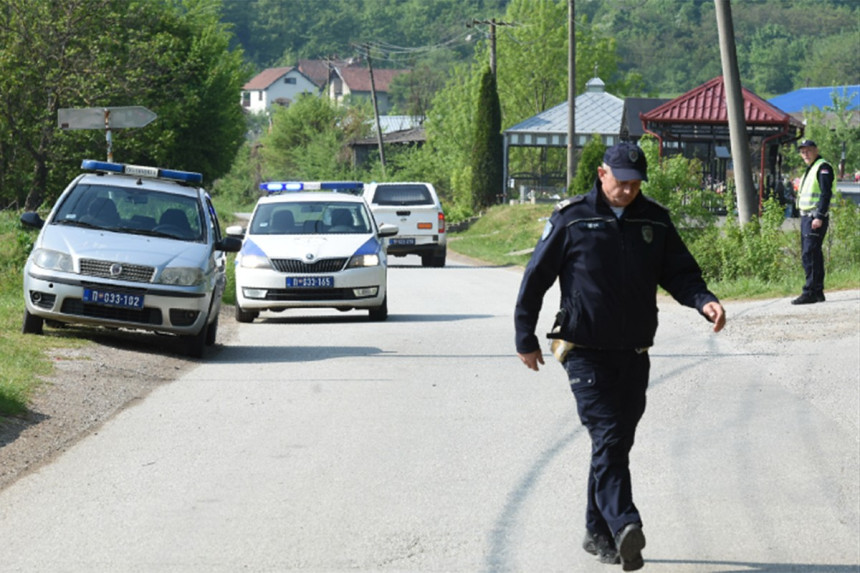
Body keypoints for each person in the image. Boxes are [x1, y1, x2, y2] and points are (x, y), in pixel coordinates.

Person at [514, 142, 726, 570]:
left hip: (633, 351)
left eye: (635, 184)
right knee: (609, 436)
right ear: (601, 173)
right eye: (621, 181)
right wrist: (524, 335)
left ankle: (597, 533)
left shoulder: (655, 220)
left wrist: (704, 301)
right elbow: (536, 277)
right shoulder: (572, 219)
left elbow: (680, 273)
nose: (628, 190)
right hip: (583, 350)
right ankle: (625, 524)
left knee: (614, 444)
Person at [792, 139, 833, 305]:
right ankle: (817, 291)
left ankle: (810, 291)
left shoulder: (823, 167)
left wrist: (820, 216)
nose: (805, 154)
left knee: (810, 253)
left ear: (816, 149)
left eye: (808, 150)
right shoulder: (811, 169)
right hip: (807, 217)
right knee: (811, 254)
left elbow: (825, 194)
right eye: (802, 151)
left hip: (815, 217)